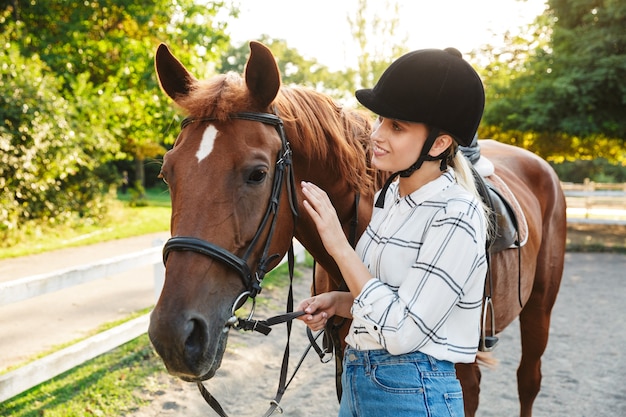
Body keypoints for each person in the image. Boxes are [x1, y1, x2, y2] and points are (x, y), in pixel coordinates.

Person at [297, 48, 490, 416]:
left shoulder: (457, 214)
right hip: (360, 380)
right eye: (380, 119)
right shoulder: (391, 199)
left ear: (438, 144)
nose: (377, 134)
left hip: (414, 390)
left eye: (396, 127)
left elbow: (402, 332)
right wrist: (339, 302)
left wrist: (340, 247)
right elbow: (392, 301)